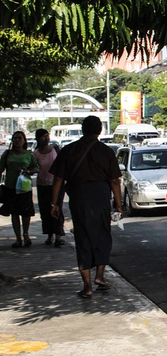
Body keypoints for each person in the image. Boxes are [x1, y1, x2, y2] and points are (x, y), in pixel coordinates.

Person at [50, 116, 123, 299]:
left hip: (79, 197)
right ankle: (99, 276)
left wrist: (55, 203)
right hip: (100, 196)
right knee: (102, 235)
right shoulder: (106, 152)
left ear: (82, 130)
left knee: (83, 237)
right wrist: (119, 205)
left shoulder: (69, 150)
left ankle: (87, 286)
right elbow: (114, 180)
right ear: (99, 131)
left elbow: (58, 179)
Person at [0, 131, 39, 248]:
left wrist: (28, 171)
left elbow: (36, 167)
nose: (17, 140)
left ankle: (26, 234)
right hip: (10, 187)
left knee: (26, 213)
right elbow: (0, 169)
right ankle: (18, 238)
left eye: (19, 138)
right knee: (14, 213)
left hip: (24, 188)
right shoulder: (7, 154)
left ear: (24, 140)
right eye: (15, 138)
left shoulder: (29, 154)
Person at [33, 129, 66, 247]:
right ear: (38, 138)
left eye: (47, 136)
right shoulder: (35, 153)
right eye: (43, 136)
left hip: (56, 184)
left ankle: (58, 236)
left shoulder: (55, 149)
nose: (46, 138)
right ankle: (49, 235)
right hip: (42, 185)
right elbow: (34, 167)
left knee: (57, 208)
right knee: (45, 211)